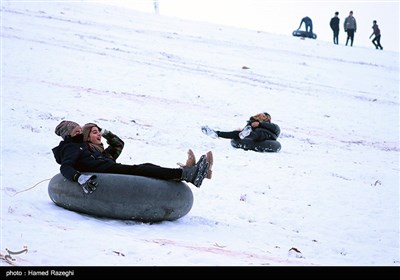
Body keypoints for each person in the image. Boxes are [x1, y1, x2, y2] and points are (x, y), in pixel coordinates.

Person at [52, 120, 213, 193]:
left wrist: (104, 132)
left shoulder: (97, 152)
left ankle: (188, 173)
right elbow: (66, 166)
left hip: (109, 168)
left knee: (146, 166)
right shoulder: (74, 147)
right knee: (143, 168)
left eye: (81, 131)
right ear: (68, 135)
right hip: (108, 173)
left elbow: (118, 144)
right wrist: (79, 178)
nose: (79, 134)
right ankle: (187, 174)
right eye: (77, 132)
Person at [201, 112, 280, 142]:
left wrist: (260, 124)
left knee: (256, 134)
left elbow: (275, 129)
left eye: (262, 115)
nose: (258, 115)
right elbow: (248, 128)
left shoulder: (272, 126)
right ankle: (216, 133)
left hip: (266, 135)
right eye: (257, 115)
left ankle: (245, 134)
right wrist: (252, 120)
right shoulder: (252, 123)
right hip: (253, 134)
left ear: (267, 118)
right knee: (237, 133)